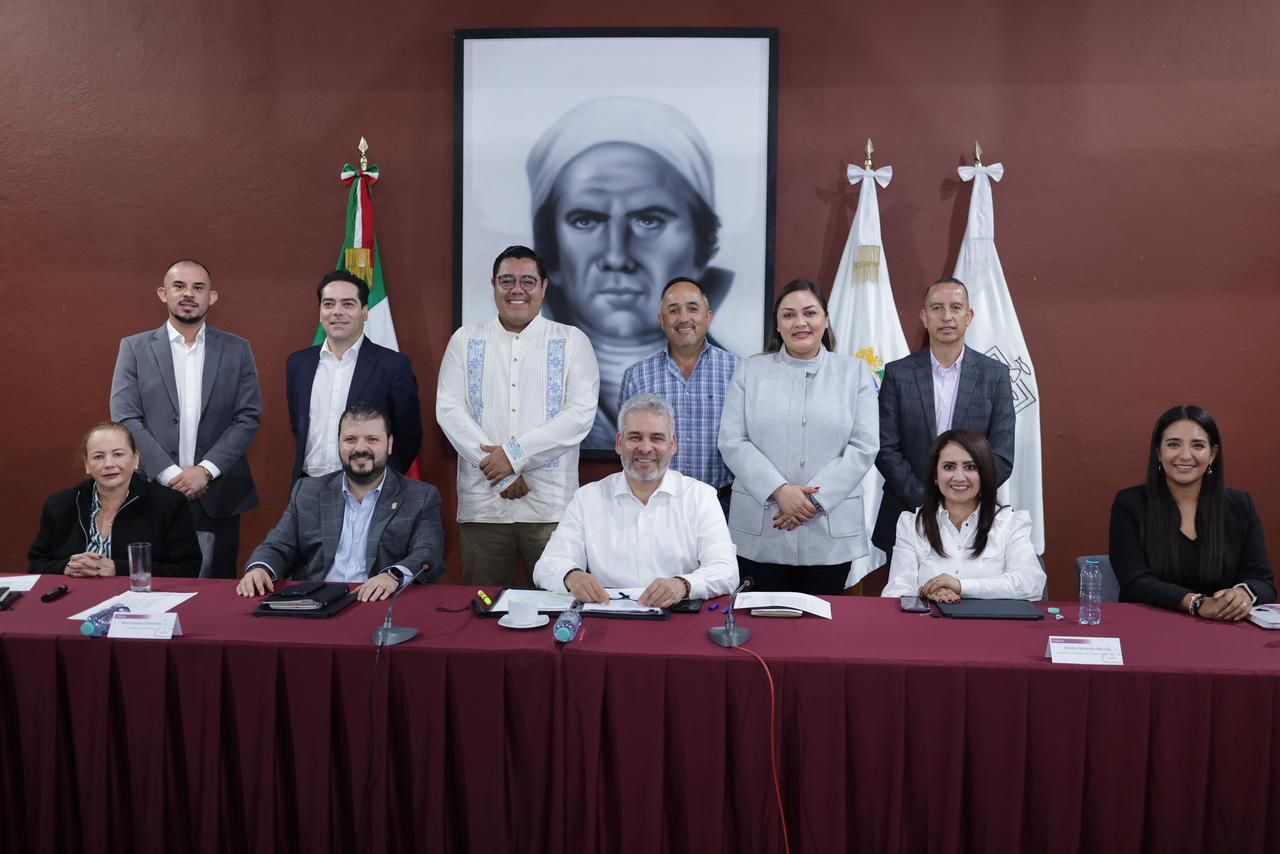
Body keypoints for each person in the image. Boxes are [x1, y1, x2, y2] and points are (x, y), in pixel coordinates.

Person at [527, 96, 730, 447]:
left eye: (648, 220)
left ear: (702, 243)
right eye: (586, 220)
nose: (616, 256)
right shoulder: (525, 370)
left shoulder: (737, 376)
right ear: (552, 248)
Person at [436, 245, 600, 587]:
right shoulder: (465, 340)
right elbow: (449, 411)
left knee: (559, 600)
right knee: (484, 605)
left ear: (544, 286)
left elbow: (579, 416)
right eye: (507, 280)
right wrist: (502, 474)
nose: (517, 290)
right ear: (493, 284)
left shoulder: (571, 341)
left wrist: (513, 456)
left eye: (528, 281)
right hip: (484, 506)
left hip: (551, 507)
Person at [718, 279, 878, 595]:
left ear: (826, 320)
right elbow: (733, 441)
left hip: (828, 532)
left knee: (823, 623)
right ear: (778, 325)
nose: (800, 322)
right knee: (761, 619)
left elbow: (864, 446)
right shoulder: (751, 371)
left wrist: (811, 501)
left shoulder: (855, 372)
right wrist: (779, 491)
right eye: (789, 315)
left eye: (810, 313)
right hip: (762, 529)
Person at [110, 259, 262, 579]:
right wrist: (170, 475)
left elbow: (248, 417)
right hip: (152, 494)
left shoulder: (237, 349)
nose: (188, 294)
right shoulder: (134, 348)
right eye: (179, 286)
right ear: (163, 293)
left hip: (218, 497)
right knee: (152, 587)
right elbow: (125, 417)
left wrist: (205, 471)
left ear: (212, 297)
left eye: (198, 287)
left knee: (217, 592)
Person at [533, 394, 738, 605]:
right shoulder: (587, 498)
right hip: (607, 615)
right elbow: (547, 566)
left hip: (677, 615)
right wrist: (572, 577)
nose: (646, 448)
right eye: (635, 437)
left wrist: (684, 585)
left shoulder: (701, 497)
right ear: (619, 443)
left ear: (672, 445)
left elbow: (726, 570)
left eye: (657, 438)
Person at [235, 403, 444, 603]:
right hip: (314, 603)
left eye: (372, 439)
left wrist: (392, 576)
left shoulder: (420, 496)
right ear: (339, 444)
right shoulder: (308, 492)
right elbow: (278, 545)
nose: (360, 448)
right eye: (350, 439)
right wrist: (260, 568)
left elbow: (427, 552)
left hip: (379, 602)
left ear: (389, 444)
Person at [874, 277, 1015, 563]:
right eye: (937, 308)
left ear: (969, 316)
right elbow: (885, 448)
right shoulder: (898, 374)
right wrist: (927, 501)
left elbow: (1001, 455)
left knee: (969, 590)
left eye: (956, 308)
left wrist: (961, 498)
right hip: (907, 513)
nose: (947, 316)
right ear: (924, 317)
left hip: (973, 518)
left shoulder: (995, 375)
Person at [1109, 404, 1274, 619]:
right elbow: (1134, 583)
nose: (1185, 455)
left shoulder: (1241, 505)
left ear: (1212, 454)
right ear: (1158, 452)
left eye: (1198, 445)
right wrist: (1196, 603)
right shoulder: (1130, 504)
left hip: (1224, 628)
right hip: (1150, 625)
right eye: (1173, 444)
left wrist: (1243, 594)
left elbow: (1263, 581)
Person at [286, 270, 422, 481]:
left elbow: (408, 436)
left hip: (368, 487)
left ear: (365, 312)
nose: (337, 312)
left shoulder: (393, 366)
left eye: (348, 304)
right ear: (320, 312)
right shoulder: (298, 364)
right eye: (328, 304)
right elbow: (299, 426)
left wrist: (378, 481)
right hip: (308, 485)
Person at [617, 276, 738, 508]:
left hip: (722, 503)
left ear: (708, 317)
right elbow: (628, 444)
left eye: (692, 309)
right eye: (673, 311)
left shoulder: (737, 371)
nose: (683, 318)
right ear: (662, 320)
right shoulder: (637, 376)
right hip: (656, 502)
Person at [881, 429, 1045, 601]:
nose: (959, 477)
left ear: (984, 474)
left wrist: (961, 586)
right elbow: (896, 591)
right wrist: (928, 592)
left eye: (970, 467)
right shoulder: (911, 524)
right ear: (935, 475)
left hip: (991, 619)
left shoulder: (1010, 523)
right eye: (949, 467)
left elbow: (1031, 584)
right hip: (930, 618)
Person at [29, 422, 202, 577]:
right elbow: (36, 564)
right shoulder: (60, 504)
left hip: (139, 599)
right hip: (74, 597)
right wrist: (66, 567)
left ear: (135, 459)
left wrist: (118, 569)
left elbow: (188, 569)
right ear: (87, 464)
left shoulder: (169, 504)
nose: (109, 464)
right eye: (98, 456)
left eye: (118, 454)